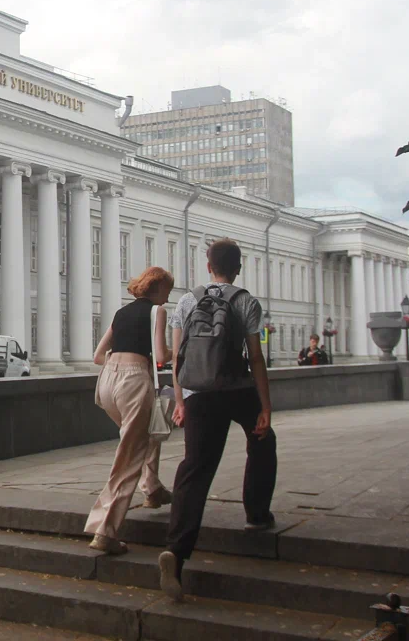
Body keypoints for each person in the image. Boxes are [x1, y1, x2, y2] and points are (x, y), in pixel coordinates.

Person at [158, 239, 276, 602]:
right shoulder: (246, 302)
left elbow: (178, 358)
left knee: (195, 468)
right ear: (238, 268)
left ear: (208, 266)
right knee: (263, 440)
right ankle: (256, 514)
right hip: (237, 389)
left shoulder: (187, 300)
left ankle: (176, 552)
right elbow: (255, 357)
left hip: (199, 394)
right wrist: (265, 407)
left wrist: (181, 401)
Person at [85, 266, 176, 555]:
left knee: (146, 433)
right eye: (167, 291)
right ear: (157, 288)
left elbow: (97, 356)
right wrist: (181, 349)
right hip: (134, 380)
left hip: (107, 383)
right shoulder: (158, 312)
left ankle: (152, 488)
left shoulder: (121, 313)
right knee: (129, 456)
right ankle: (105, 530)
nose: (168, 297)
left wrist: (120, 362)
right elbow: (160, 356)